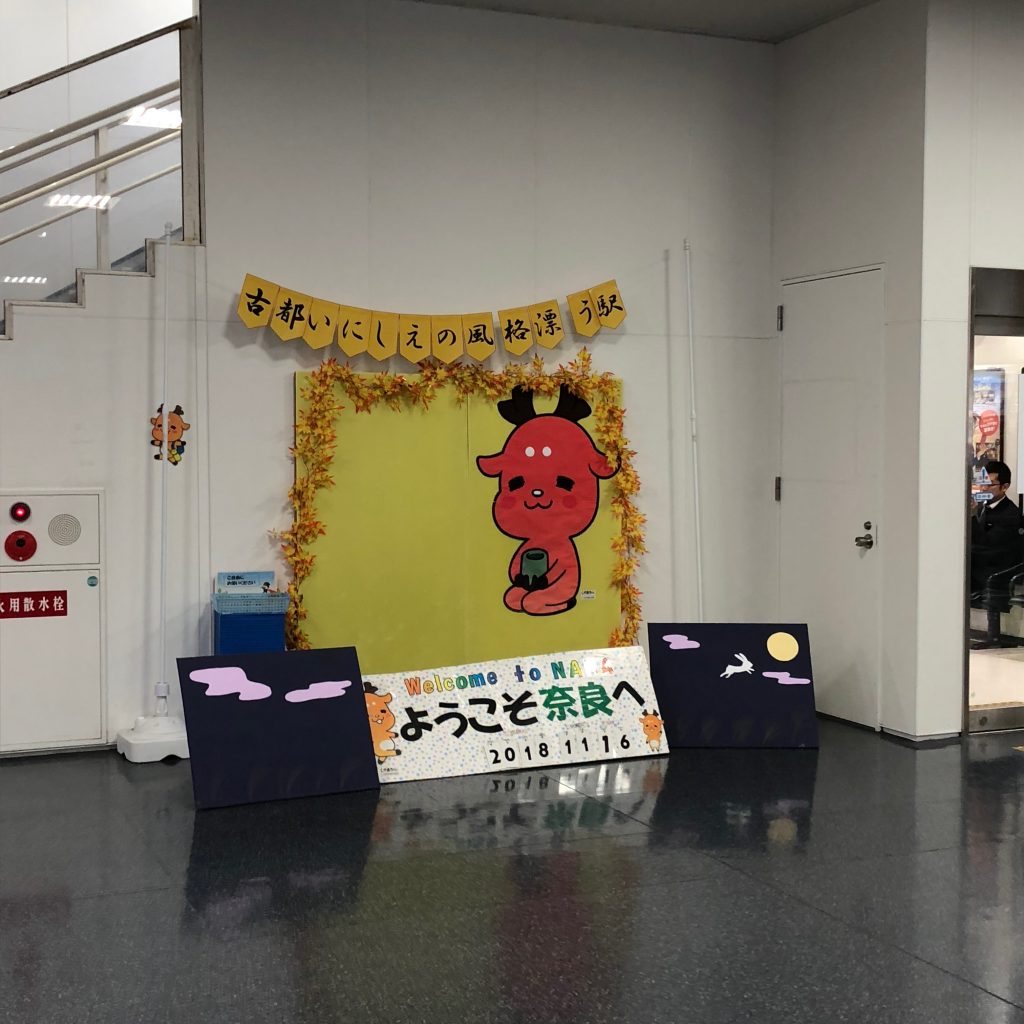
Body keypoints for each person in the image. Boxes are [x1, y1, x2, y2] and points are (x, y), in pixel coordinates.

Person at [970, 460, 1024, 596]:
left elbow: (986, 546)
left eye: (989, 485)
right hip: (975, 572)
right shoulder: (982, 507)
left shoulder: (1011, 515)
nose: (983, 489)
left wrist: (971, 517)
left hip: (993, 579)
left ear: (1004, 487)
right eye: (981, 483)